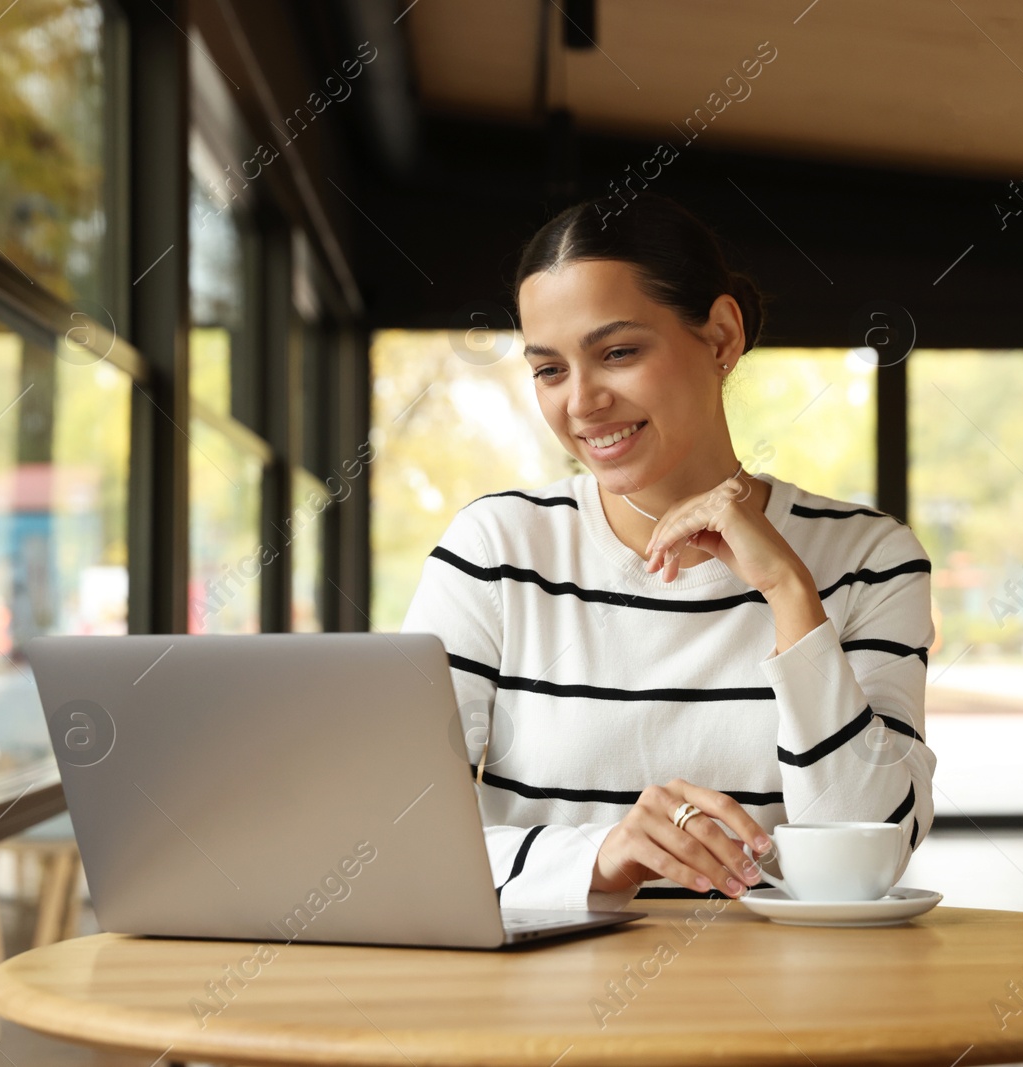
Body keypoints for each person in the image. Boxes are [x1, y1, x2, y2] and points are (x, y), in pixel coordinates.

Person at [400, 193, 937, 911]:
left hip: (788, 1004)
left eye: (617, 352)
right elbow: (395, 836)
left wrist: (787, 591)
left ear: (720, 337)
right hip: (539, 1006)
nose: (582, 402)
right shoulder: (495, 550)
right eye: (550, 369)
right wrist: (601, 853)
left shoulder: (870, 556)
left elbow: (875, 847)